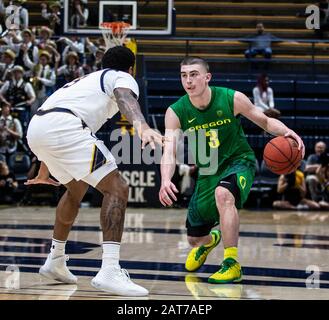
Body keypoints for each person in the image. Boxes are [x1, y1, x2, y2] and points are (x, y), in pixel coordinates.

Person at [25, 46, 164, 296]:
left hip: (37, 129)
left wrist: (45, 166)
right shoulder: (121, 77)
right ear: (131, 68)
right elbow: (125, 97)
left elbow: (51, 117)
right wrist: (142, 126)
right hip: (64, 128)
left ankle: (55, 259)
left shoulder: (84, 81)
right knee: (118, 187)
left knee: (76, 188)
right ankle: (110, 270)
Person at [159, 56, 304, 284]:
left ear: (207, 77)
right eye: (184, 75)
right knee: (194, 239)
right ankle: (211, 240)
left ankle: (231, 264)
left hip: (239, 161)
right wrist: (166, 179)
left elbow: (265, 122)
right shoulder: (176, 111)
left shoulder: (231, 98)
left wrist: (287, 132)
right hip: (208, 171)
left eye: (194, 74)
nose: (188, 80)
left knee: (224, 194)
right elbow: (169, 151)